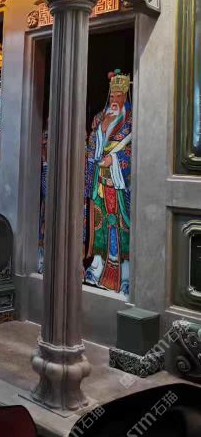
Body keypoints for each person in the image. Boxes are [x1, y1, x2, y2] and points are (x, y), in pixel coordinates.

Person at [84, 70, 132, 295]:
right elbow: (91, 146)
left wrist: (114, 159)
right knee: (99, 223)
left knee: (121, 224)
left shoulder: (131, 121)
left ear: (126, 95)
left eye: (119, 96)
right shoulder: (100, 118)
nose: (114, 99)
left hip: (120, 183)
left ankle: (125, 273)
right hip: (99, 181)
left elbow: (134, 151)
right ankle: (97, 266)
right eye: (112, 95)